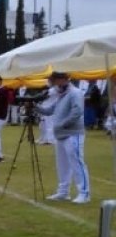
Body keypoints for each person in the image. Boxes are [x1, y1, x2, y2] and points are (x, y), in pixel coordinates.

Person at [38, 71, 91, 204]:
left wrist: (63, 124)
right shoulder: (61, 94)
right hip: (61, 134)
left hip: (73, 133)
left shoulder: (75, 93)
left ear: (62, 79)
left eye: (54, 80)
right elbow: (50, 110)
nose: (53, 83)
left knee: (77, 163)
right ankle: (63, 191)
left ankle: (84, 193)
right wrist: (35, 106)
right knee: (62, 165)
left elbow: (77, 111)